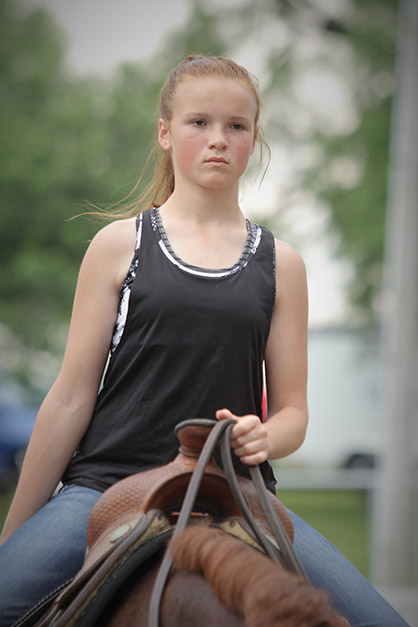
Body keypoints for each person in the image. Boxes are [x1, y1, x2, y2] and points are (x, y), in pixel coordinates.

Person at [0, 55, 407, 627]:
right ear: (165, 133)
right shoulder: (118, 246)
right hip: (106, 486)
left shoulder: (283, 264)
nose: (219, 139)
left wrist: (264, 435)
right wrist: (15, 534)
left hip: (236, 493)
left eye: (236, 126)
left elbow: (293, 414)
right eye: (199, 122)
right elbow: (69, 399)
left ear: (253, 140)